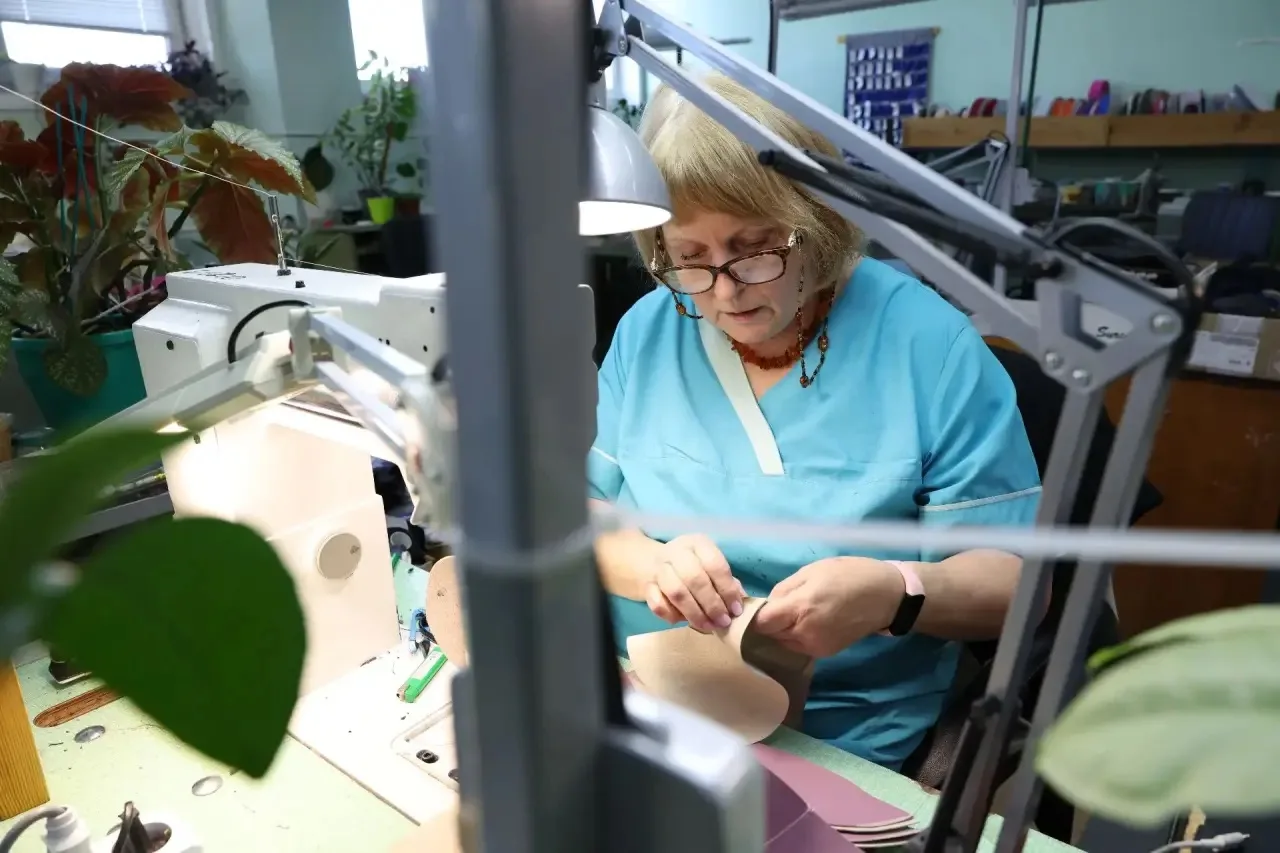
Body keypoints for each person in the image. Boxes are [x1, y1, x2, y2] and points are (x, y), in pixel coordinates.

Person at [589, 74, 1043, 772]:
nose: (725, 290)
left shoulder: (928, 345)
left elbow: (1015, 585)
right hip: (646, 698)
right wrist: (654, 566)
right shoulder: (649, 333)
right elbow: (579, 516)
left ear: (818, 220)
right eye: (690, 259)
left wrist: (895, 593)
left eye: (755, 248)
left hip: (839, 734)